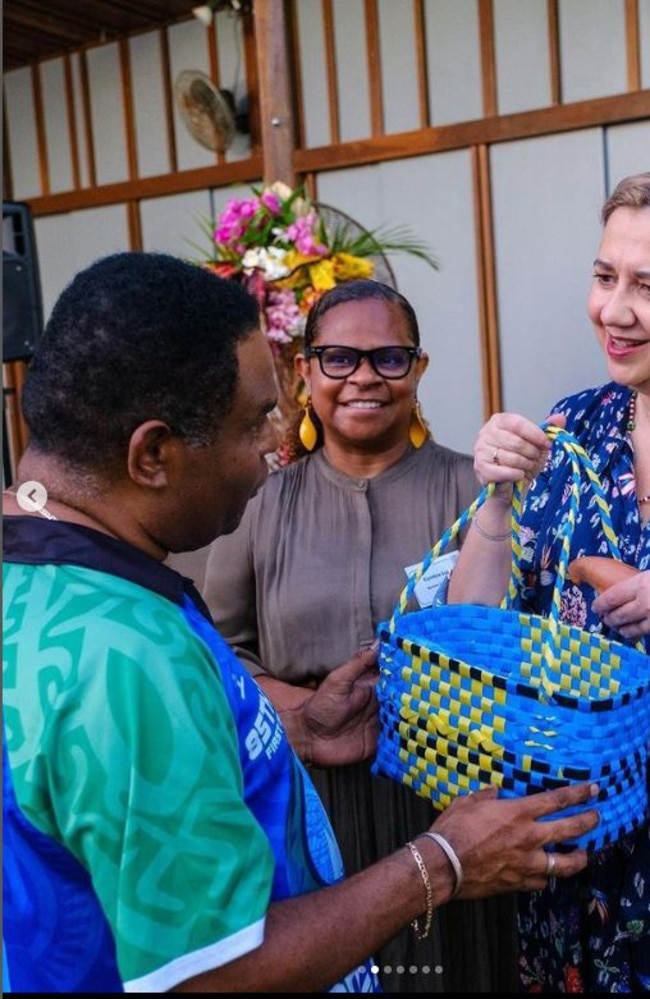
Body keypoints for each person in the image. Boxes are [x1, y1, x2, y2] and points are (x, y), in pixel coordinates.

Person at [1, 251, 602, 994]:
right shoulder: (125, 659)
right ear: (153, 453)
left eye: (388, 358)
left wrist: (300, 728)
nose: (273, 443)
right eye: (254, 421)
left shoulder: (60, 575)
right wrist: (442, 860)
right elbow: (219, 973)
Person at [200, 278, 517, 993]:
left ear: (419, 369)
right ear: (304, 371)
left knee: (452, 976)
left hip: (449, 802)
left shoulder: (477, 493)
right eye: (339, 358)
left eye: (388, 358)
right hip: (307, 798)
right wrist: (308, 710)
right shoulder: (259, 503)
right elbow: (219, 655)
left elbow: (516, 636)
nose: (364, 376)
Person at [448, 171, 650, 992]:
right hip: (581, 852)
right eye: (606, 276)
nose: (617, 310)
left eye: (648, 286)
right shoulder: (573, 427)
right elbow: (471, 620)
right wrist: (495, 501)